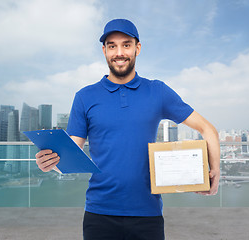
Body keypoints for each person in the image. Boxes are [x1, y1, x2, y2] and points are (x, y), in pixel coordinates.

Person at [35, 19, 220, 240]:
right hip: (99, 214)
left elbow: (207, 128)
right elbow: (71, 154)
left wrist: (215, 170)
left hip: (148, 214)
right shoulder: (85, 97)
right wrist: (51, 164)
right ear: (104, 51)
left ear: (137, 48)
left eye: (126, 44)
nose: (119, 52)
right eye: (112, 46)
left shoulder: (158, 91)